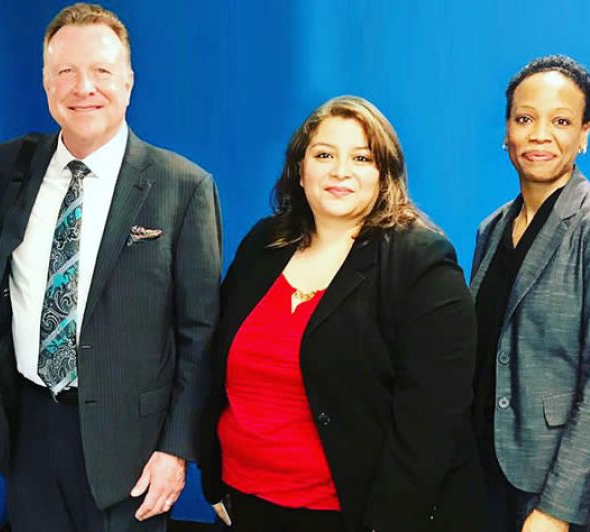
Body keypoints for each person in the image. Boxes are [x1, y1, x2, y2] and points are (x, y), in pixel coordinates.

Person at [0, 3, 222, 532]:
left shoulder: (183, 186)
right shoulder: (12, 166)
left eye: (101, 71)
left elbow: (200, 333)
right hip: (31, 427)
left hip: (133, 448)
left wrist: (177, 449)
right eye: (65, 71)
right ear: (46, 83)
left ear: (128, 82)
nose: (83, 87)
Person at [198, 95, 486, 532]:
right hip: (243, 502)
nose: (339, 171)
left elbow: (432, 420)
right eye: (324, 155)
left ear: (384, 174)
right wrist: (213, 480)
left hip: (349, 516)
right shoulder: (263, 244)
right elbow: (214, 361)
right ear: (300, 169)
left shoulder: (420, 262)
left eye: (361, 158)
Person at [470, 55, 590, 532]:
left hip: (557, 482)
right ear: (507, 131)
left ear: (585, 134)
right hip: (486, 467)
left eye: (562, 121)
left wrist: (557, 509)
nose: (540, 135)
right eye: (525, 118)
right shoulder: (492, 228)